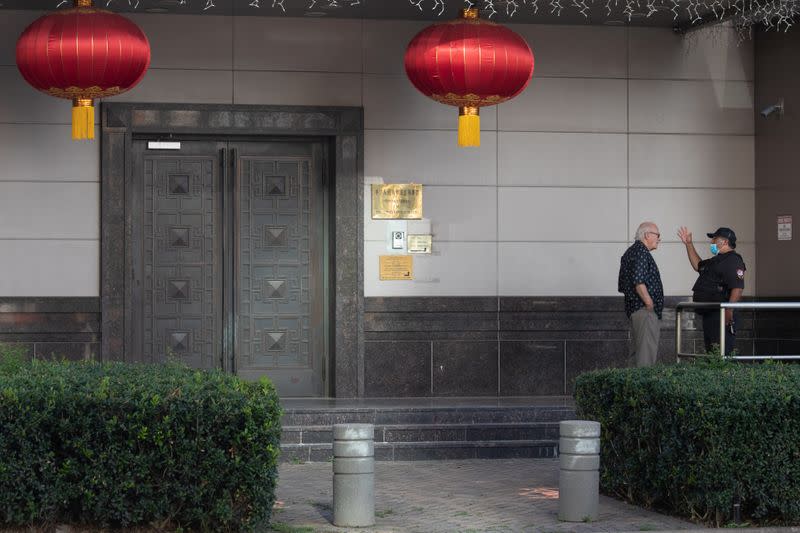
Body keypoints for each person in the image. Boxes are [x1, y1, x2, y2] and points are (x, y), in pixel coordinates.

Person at [677, 226, 745, 355]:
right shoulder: (717, 260)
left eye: (714, 239)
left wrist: (729, 311)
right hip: (710, 314)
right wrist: (689, 244)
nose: (712, 242)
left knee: (722, 353)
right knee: (712, 353)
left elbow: (738, 288)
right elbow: (698, 266)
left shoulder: (733, 260)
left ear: (725, 241)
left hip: (722, 315)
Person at [618, 222, 664, 367]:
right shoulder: (641, 252)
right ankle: (645, 390)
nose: (659, 239)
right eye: (658, 235)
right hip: (645, 312)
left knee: (636, 356)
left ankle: (633, 389)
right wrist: (649, 303)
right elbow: (639, 282)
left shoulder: (631, 252)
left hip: (636, 310)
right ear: (647, 235)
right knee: (646, 358)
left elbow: (623, 285)